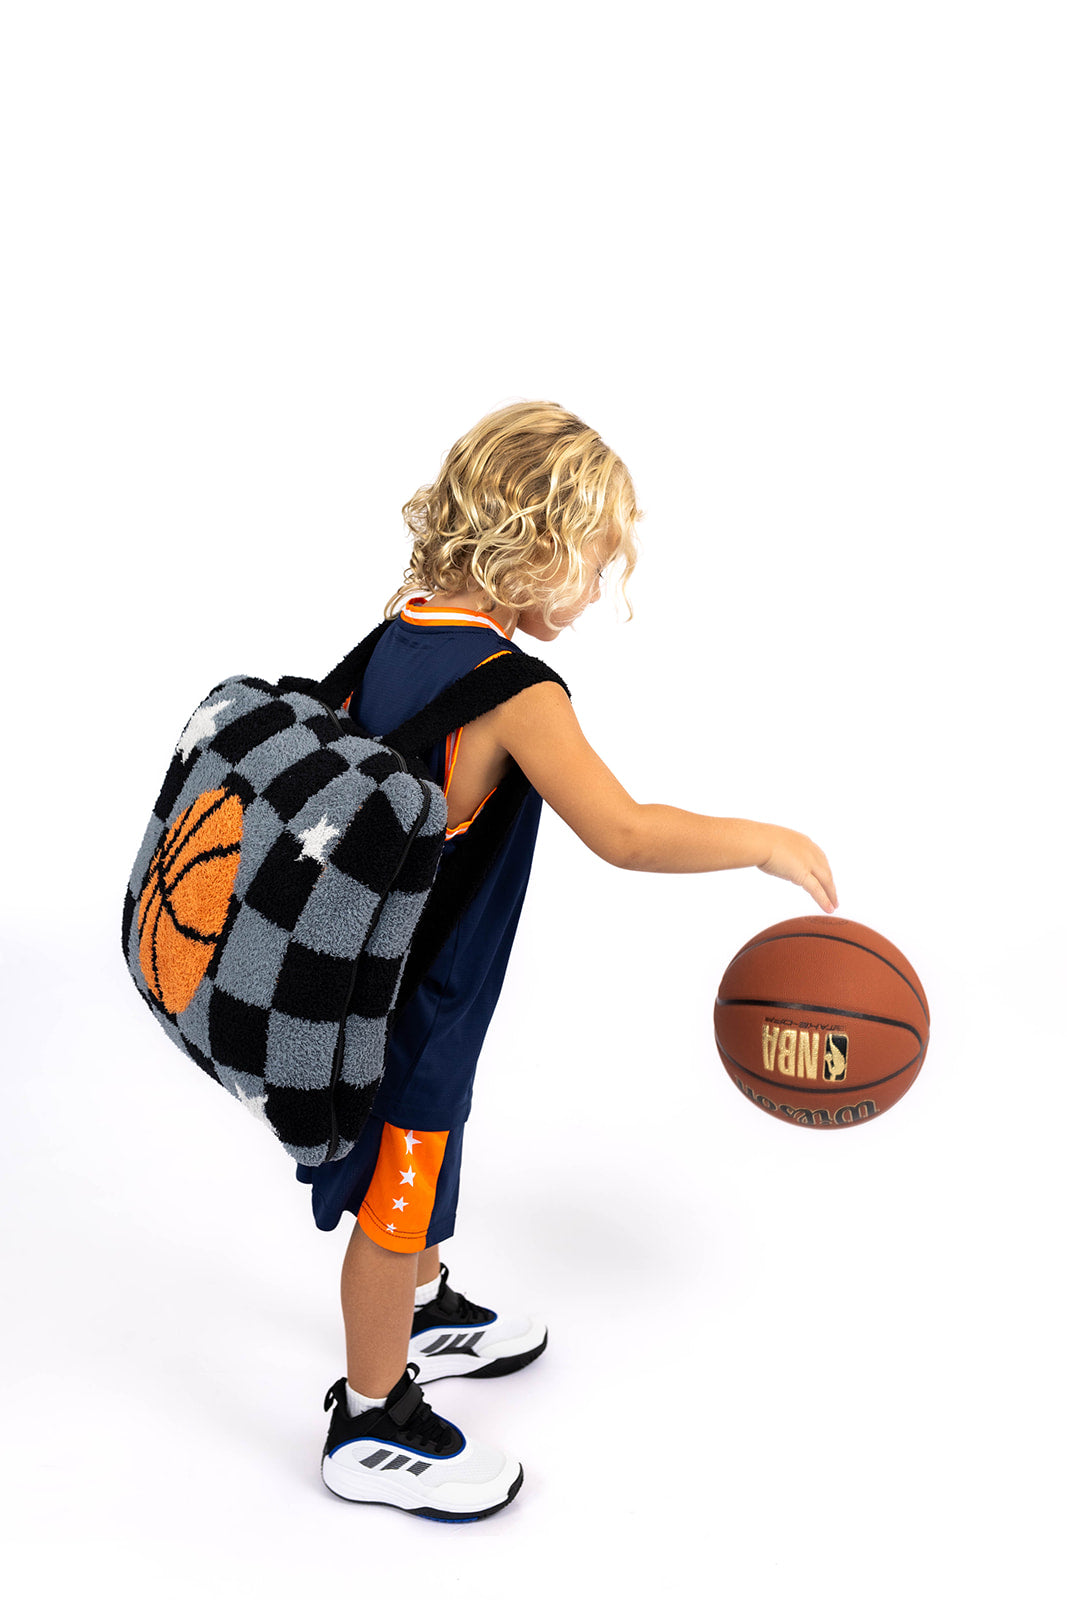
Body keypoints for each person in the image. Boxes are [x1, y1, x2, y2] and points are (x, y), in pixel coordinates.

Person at [311, 400, 838, 1521]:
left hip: (384, 977)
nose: (597, 594)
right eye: (595, 565)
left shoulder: (398, 630)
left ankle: (429, 1302)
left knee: (428, 1147)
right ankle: (368, 1413)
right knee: (396, 1189)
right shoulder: (517, 691)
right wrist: (762, 841)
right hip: (417, 995)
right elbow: (626, 831)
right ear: (535, 544)